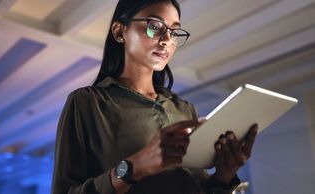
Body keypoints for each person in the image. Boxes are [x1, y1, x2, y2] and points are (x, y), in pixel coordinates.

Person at [51, 0, 258, 193]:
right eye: (155, 26)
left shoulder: (185, 109)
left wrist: (223, 176)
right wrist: (135, 167)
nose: (167, 40)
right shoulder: (87, 103)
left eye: (174, 31)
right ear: (119, 31)